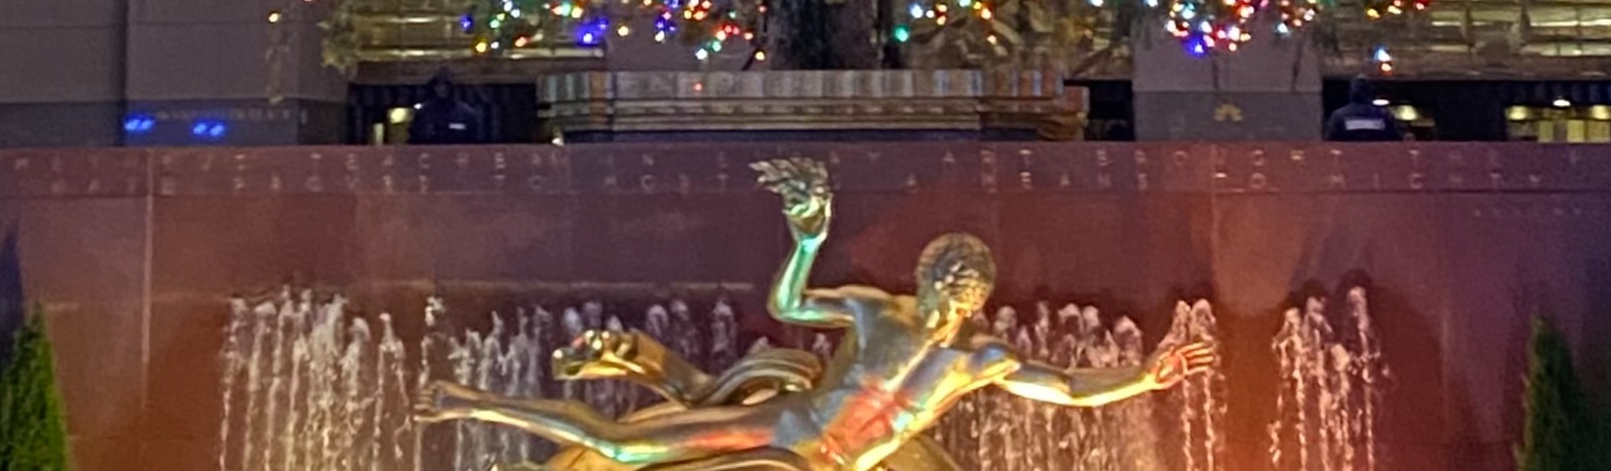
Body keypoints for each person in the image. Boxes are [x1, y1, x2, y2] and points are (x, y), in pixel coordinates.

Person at [414, 158, 1215, 470]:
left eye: (963, 293)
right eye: (942, 283)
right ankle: (468, 401)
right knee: (617, 449)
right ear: (926, 278)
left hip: (826, 465)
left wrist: (1143, 378)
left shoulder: (981, 360)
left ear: (978, 299)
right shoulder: (877, 312)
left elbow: (1069, 389)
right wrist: (807, 240)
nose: (948, 301)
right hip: (782, 427)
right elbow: (789, 304)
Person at [406, 70, 485, 145]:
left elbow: (474, 140)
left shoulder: (466, 113)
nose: (442, 89)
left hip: (458, 156)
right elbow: (415, 139)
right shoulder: (424, 113)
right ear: (434, 87)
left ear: (451, 88)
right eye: (438, 85)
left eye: (446, 85)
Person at [1323, 76, 1407, 142]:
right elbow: (1396, 141)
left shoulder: (1339, 116)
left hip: (1349, 160)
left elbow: (1330, 143)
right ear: (1370, 92)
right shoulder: (1383, 115)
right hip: (1378, 160)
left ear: (1351, 92)